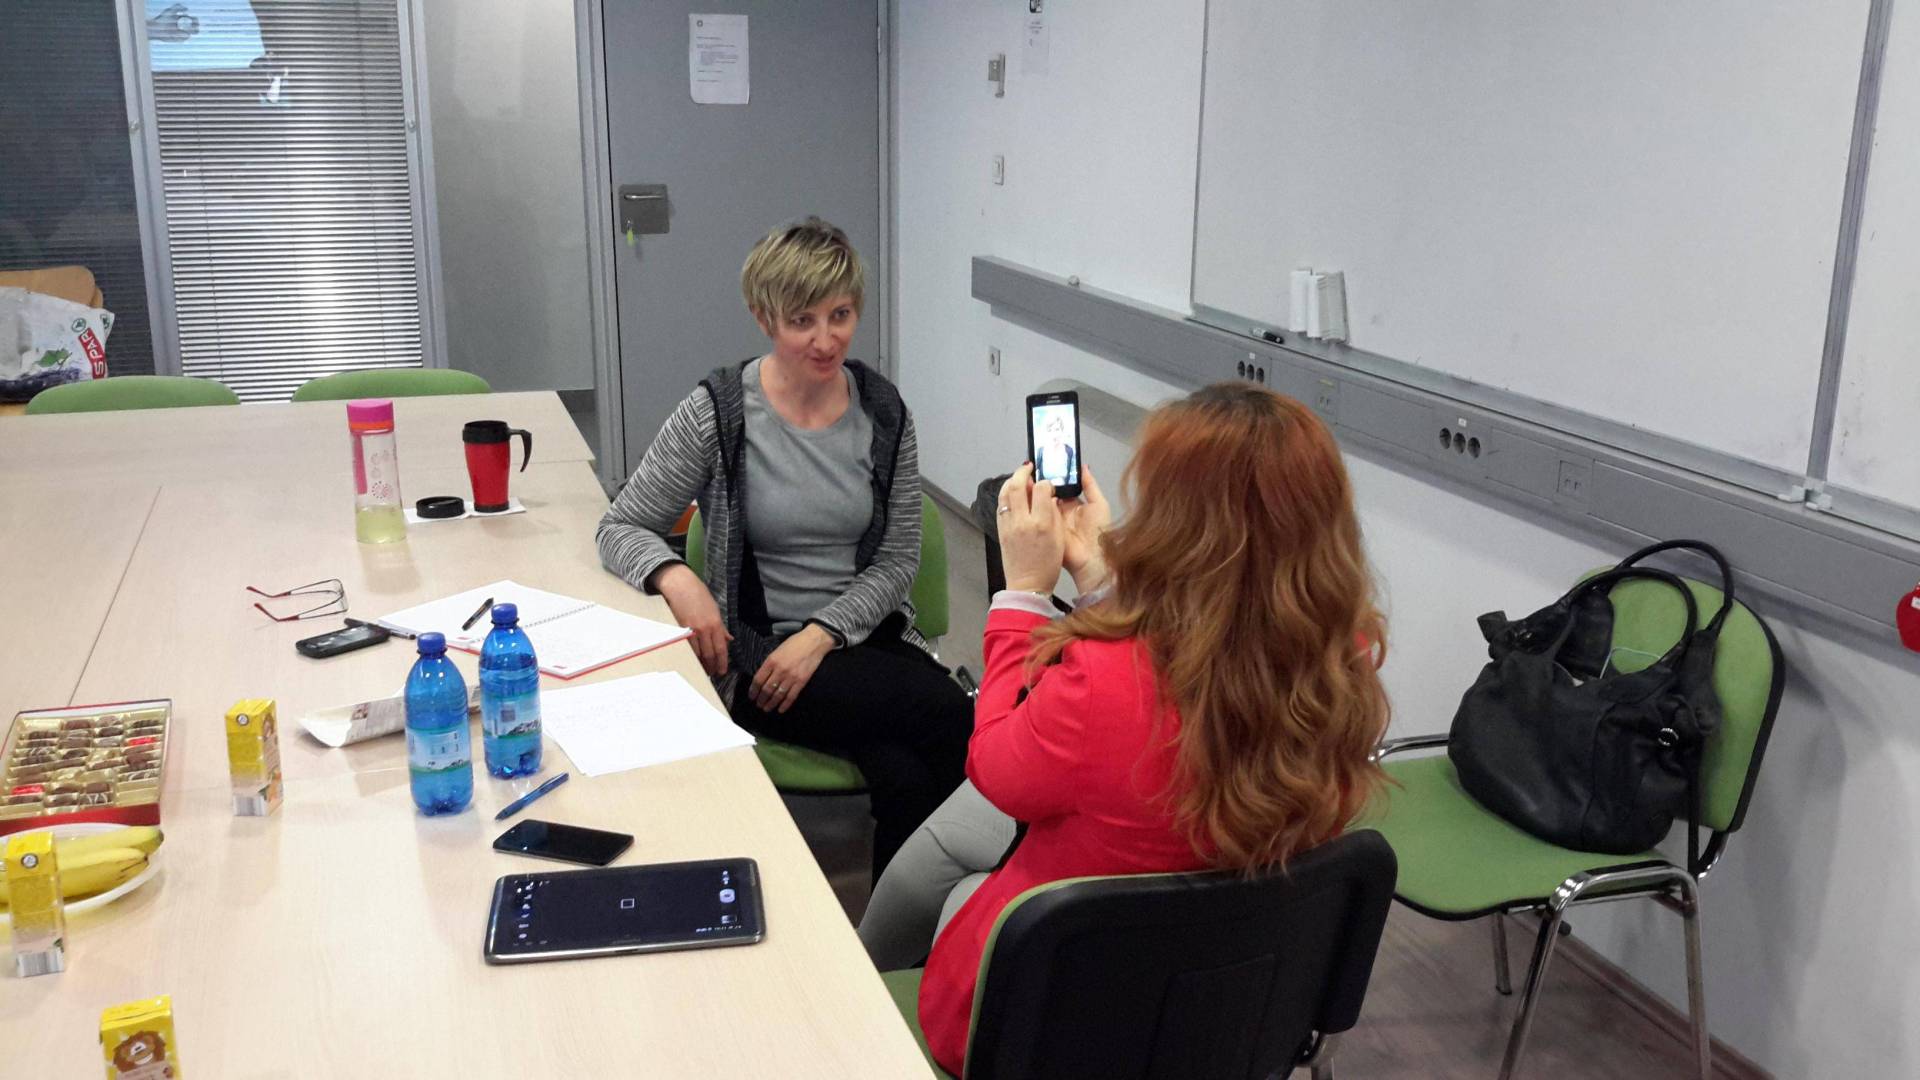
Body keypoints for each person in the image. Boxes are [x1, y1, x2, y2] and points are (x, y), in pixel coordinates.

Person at [859, 383, 1391, 1077]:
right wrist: (1098, 579)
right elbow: (1200, 663)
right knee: (946, 854)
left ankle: (850, 995)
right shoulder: (1346, 662)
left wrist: (1021, 597)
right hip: (1233, 1007)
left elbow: (995, 767)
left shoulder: (1100, 680)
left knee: (960, 885)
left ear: (1180, 524)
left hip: (1074, 1026)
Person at [595, 217, 971, 878]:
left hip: (861, 646)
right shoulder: (718, 412)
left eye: (841, 315)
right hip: (759, 661)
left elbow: (897, 562)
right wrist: (678, 578)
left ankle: (899, 932)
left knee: (907, 776)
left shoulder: (884, 412)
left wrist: (822, 635)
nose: (826, 340)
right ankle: (972, 911)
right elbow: (620, 525)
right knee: (954, 717)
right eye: (803, 321)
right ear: (764, 316)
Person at [1033, 413, 1076, 486]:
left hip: (1066, 492)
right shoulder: (1040, 452)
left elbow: (1074, 476)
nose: (1054, 434)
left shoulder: (1069, 451)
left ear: (1062, 431)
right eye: (1050, 430)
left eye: (1057, 429)